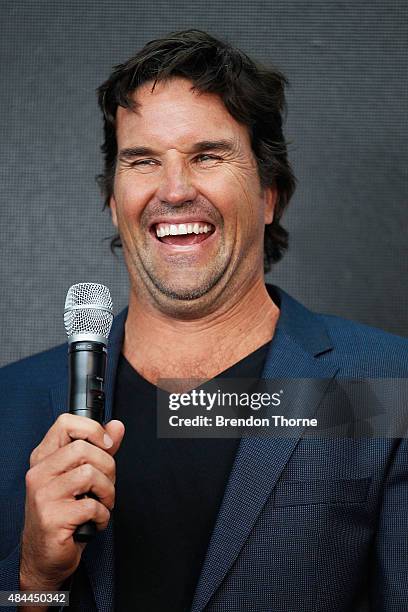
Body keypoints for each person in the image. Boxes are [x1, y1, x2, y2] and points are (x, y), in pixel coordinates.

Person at [0, 29, 407, 612]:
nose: (174, 189)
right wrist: (36, 583)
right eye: (142, 160)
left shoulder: (385, 387)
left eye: (207, 156)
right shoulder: (10, 404)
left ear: (270, 194)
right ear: (113, 199)